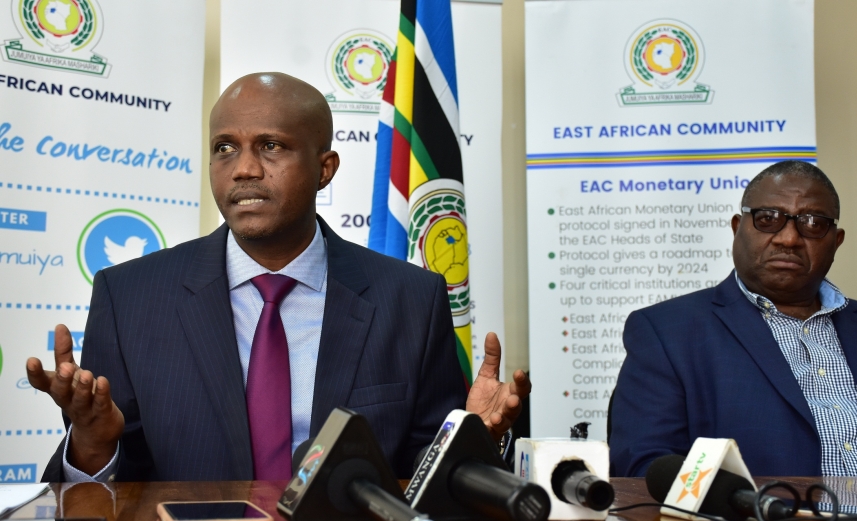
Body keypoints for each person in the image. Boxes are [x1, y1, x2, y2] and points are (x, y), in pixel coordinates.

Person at [26, 72, 531, 482]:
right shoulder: (131, 296)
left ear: (325, 168)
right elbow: (110, 491)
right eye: (224, 148)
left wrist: (477, 440)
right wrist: (91, 447)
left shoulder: (411, 299)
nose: (244, 169)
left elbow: (429, 479)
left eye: (271, 146)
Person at [609, 160, 857, 477]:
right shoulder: (668, 334)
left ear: (836, 241)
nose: (788, 239)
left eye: (813, 223)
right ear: (737, 228)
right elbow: (643, 465)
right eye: (767, 219)